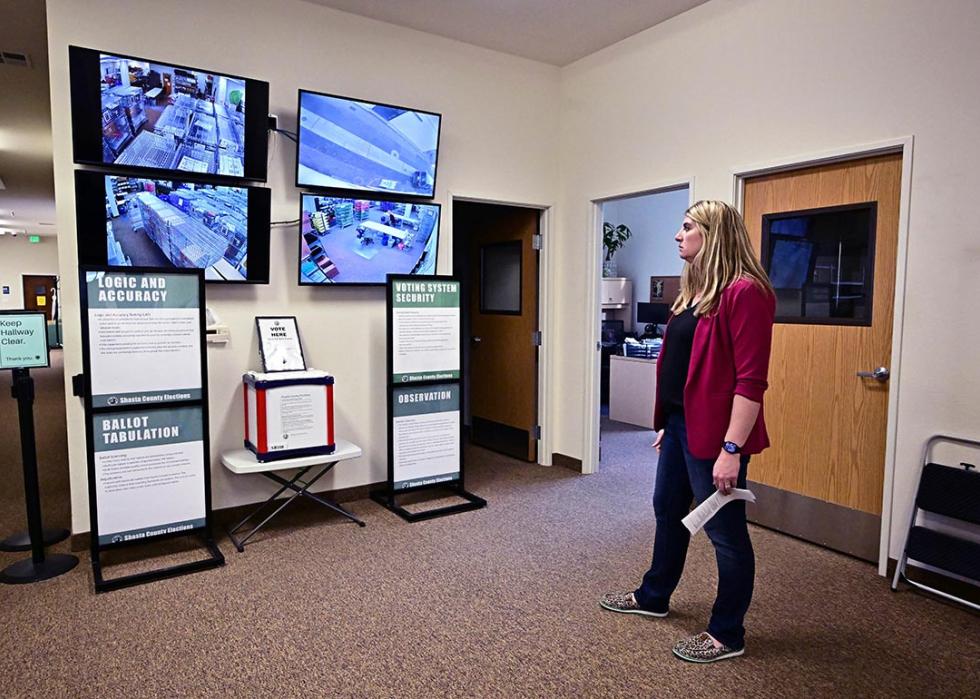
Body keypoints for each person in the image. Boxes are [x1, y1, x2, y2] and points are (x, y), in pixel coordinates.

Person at [599, 200, 775, 664]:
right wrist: (667, 422)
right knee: (667, 509)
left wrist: (732, 448)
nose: (678, 235)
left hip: (718, 437)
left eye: (687, 227)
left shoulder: (746, 292)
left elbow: (750, 381)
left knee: (724, 533)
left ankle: (726, 633)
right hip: (680, 426)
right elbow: (682, 367)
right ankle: (655, 595)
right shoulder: (696, 292)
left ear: (713, 234)